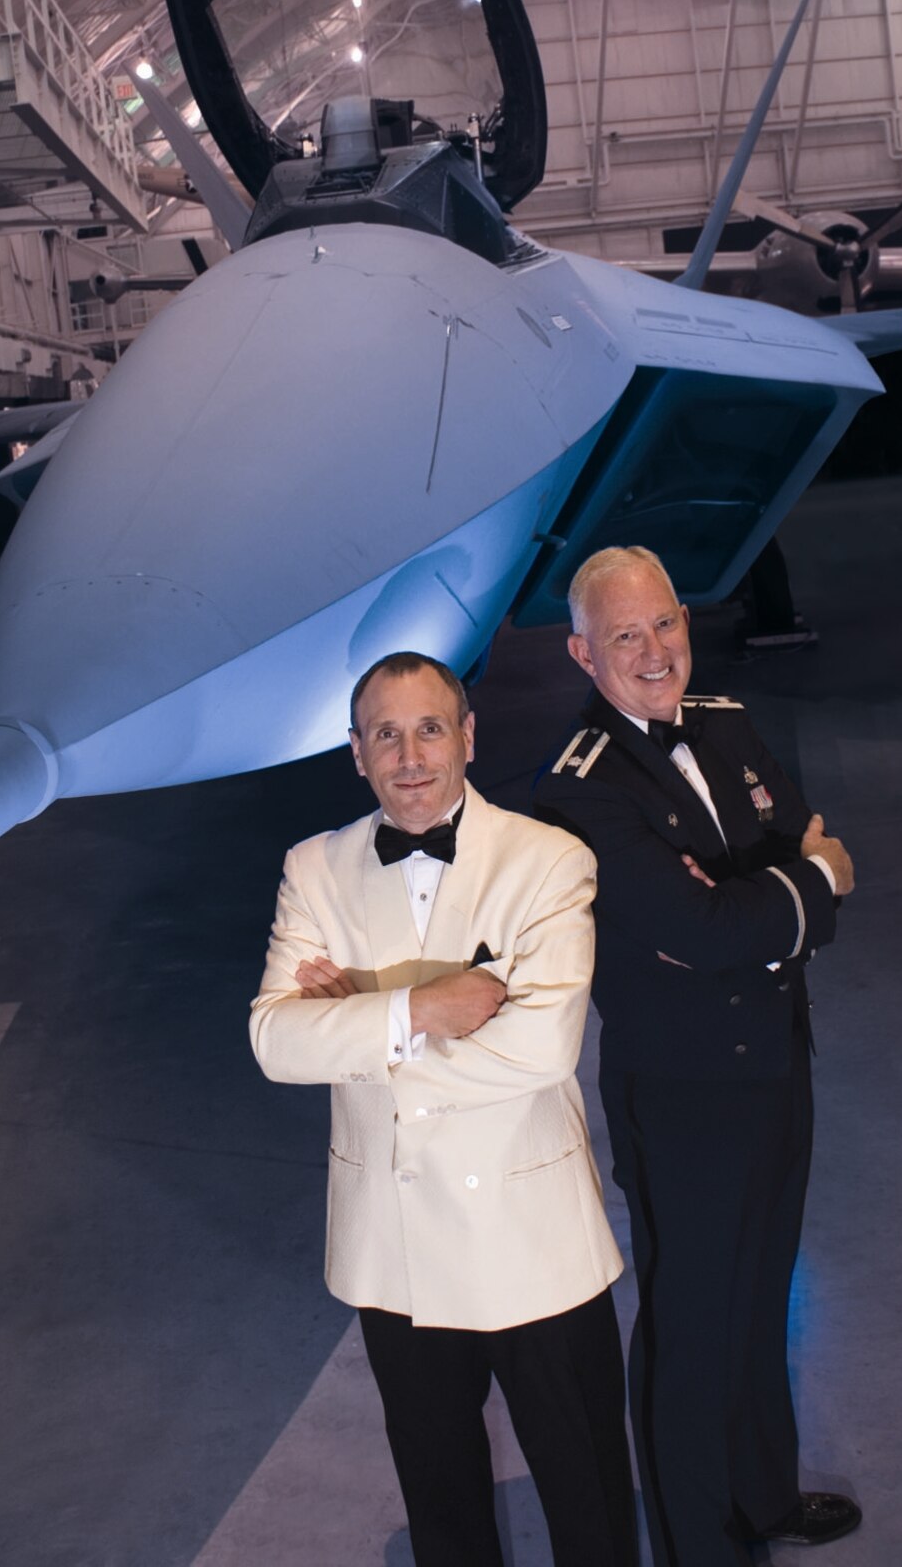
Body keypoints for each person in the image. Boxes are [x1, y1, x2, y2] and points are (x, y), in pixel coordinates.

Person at [250, 650, 638, 1567]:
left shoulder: (547, 860)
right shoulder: (313, 868)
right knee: (442, 1510)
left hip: (534, 1244)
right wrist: (422, 1010)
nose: (409, 756)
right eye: (385, 734)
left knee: (588, 1500)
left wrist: (356, 1025)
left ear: (467, 737)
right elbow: (273, 1044)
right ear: (356, 753)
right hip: (397, 1249)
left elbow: (542, 1050)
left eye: (429, 728)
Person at [532, 546, 861, 1567]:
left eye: (665, 623)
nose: (654, 651)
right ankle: (698, 1547)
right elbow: (727, 915)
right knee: (690, 1326)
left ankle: (761, 1495)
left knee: (761, 1296)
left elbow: (804, 851)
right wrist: (792, 889)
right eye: (624, 635)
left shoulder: (724, 721)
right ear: (584, 654)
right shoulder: (579, 787)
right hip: (682, 1094)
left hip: (777, 1058)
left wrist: (755, 902)